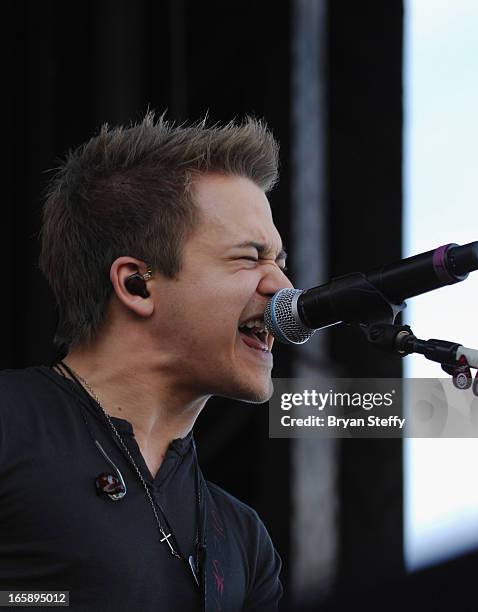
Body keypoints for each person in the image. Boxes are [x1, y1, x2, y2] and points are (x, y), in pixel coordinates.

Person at [0, 113, 290, 611]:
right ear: (138, 283)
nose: (283, 287)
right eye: (249, 258)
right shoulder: (11, 421)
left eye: (280, 262)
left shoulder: (243, 540)